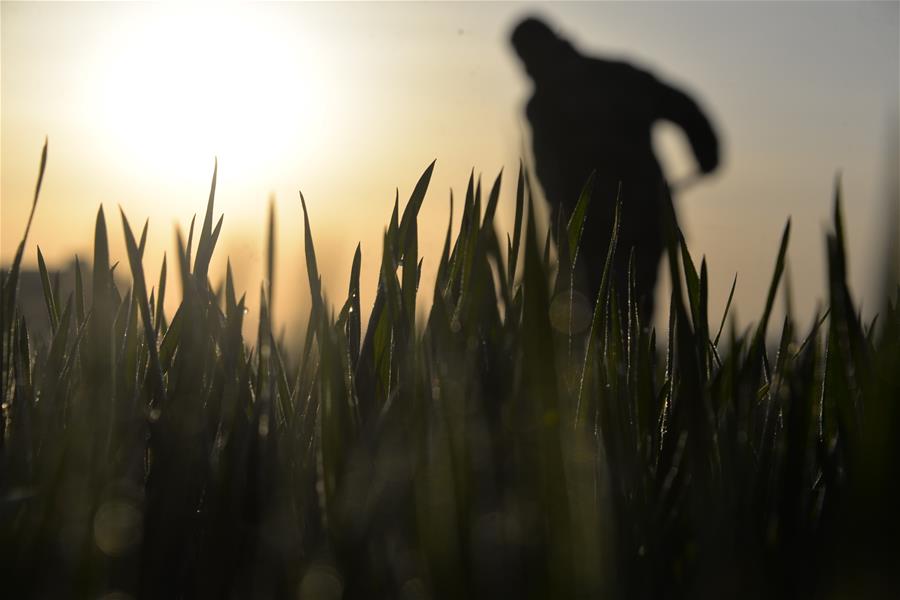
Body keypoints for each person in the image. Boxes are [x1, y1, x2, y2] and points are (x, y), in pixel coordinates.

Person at [511, 16, 721, 324]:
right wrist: (707, 153)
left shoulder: (546, 103)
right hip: (626, 224)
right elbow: (684, 107)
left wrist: (706, 151)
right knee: (627, 319)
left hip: (610, 228)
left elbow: (549, 181)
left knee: (605, 322)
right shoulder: (615, 77)